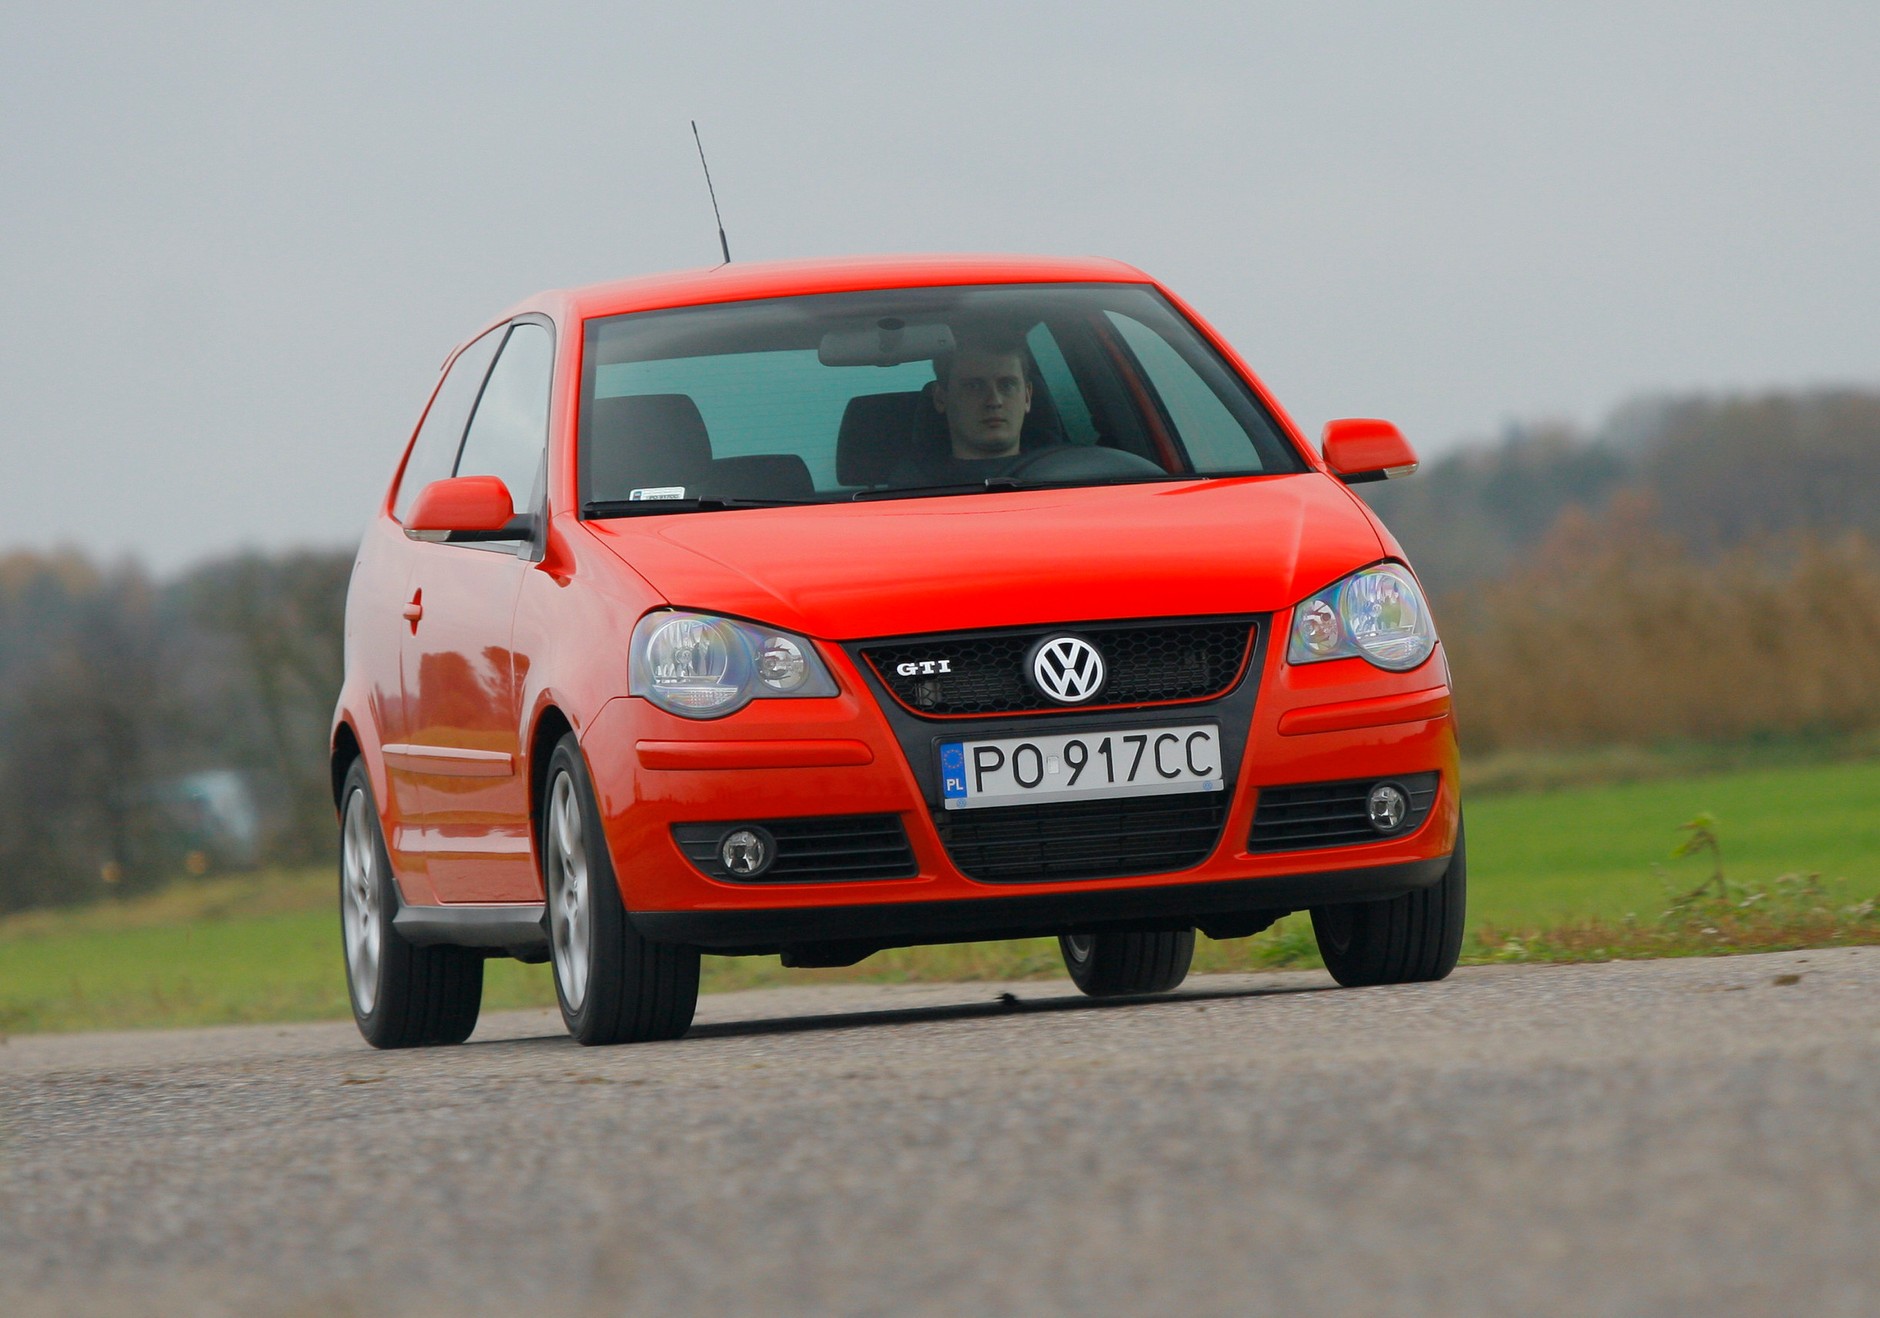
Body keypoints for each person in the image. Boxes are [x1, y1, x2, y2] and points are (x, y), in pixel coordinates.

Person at [889, 325, 1049, 485]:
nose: (994, 401)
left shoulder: (1064, 474)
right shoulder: (908, 490)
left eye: (1007, 385)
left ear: (1027, 397)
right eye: (974, 386)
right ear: (940, 398)